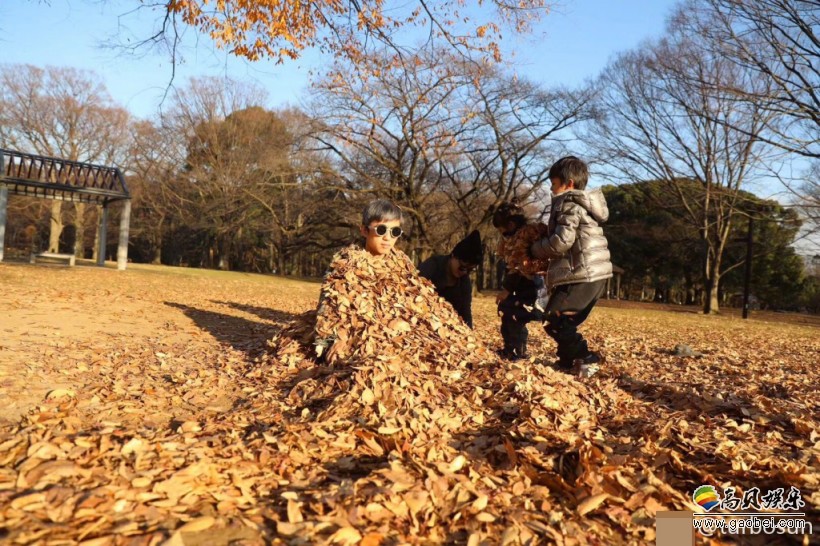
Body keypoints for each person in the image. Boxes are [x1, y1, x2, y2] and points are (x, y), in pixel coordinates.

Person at [530, 156, 613, 377]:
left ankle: (586, 358)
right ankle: (568, 361)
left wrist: (535, 249)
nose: (551, 187)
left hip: (584, 274)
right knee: (560, 321)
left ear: (569, 184)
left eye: (554, 183)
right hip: (589, 273)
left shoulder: (569, 204)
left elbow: (561, 242)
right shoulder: (577, 205)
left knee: (554, 319)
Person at [314, 199, 404, 358]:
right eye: (381, 230)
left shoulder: (403, 266)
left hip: (391, 339)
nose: (388, 238)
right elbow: (327, 308)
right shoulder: (344, 264)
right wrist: (326, 343)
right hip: (351, 339)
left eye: (395, 232)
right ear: (364, 230)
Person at [492, 203, 546, 360]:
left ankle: (518, 352)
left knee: (516, 317)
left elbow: (518, 266)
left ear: (511, 224)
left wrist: (506, 290)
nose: (502, 235)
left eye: (502, 230)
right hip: (522, 285)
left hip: (531, 286)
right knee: (508, 314)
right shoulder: (514, 238)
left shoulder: (523, 237)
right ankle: (511, 348)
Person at [418, 230, 483, 328]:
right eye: (462, 267)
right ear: (453, 256)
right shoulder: (432, 265)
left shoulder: (464, 281)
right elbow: (414, 289)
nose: (465, 273)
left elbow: (465, 312)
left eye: (470, 270)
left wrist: (469, 333)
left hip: (447, 327)